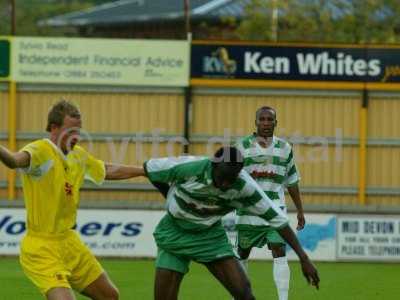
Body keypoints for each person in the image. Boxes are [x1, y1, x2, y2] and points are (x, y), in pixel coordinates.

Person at [0, 100, 144, 300]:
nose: (76, 137)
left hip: (69, 242)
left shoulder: (78, 156)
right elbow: (14, 160)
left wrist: (144, 170)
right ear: (54, 128)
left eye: (78, 131)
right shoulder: (41, 150)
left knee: (110, 296)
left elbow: (107, 170)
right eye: (70, 131)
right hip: (41, 248)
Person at [131, 146, 319, 300]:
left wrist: (304, 258)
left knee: (244, 294)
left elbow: (279, 221)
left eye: (231, 180)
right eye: (222, 178)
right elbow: (149, 171)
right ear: (214, 166)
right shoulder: (190, 167)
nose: (224, 185)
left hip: (209, 237)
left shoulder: (245, 187)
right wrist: (170, 195)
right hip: (175, 234)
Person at [235, 106, 305, 300]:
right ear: (255, 122)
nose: (266, 123)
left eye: (270, 119)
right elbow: (230, 178)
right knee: (242, 252)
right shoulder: (241, 147)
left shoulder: (285, 148)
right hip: (248, 211)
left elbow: (292, 181)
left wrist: (300, 210)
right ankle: (239, 295)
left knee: (279, 249)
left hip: (274, 210)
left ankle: (283, 298)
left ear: (276, 123)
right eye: (262, 119)